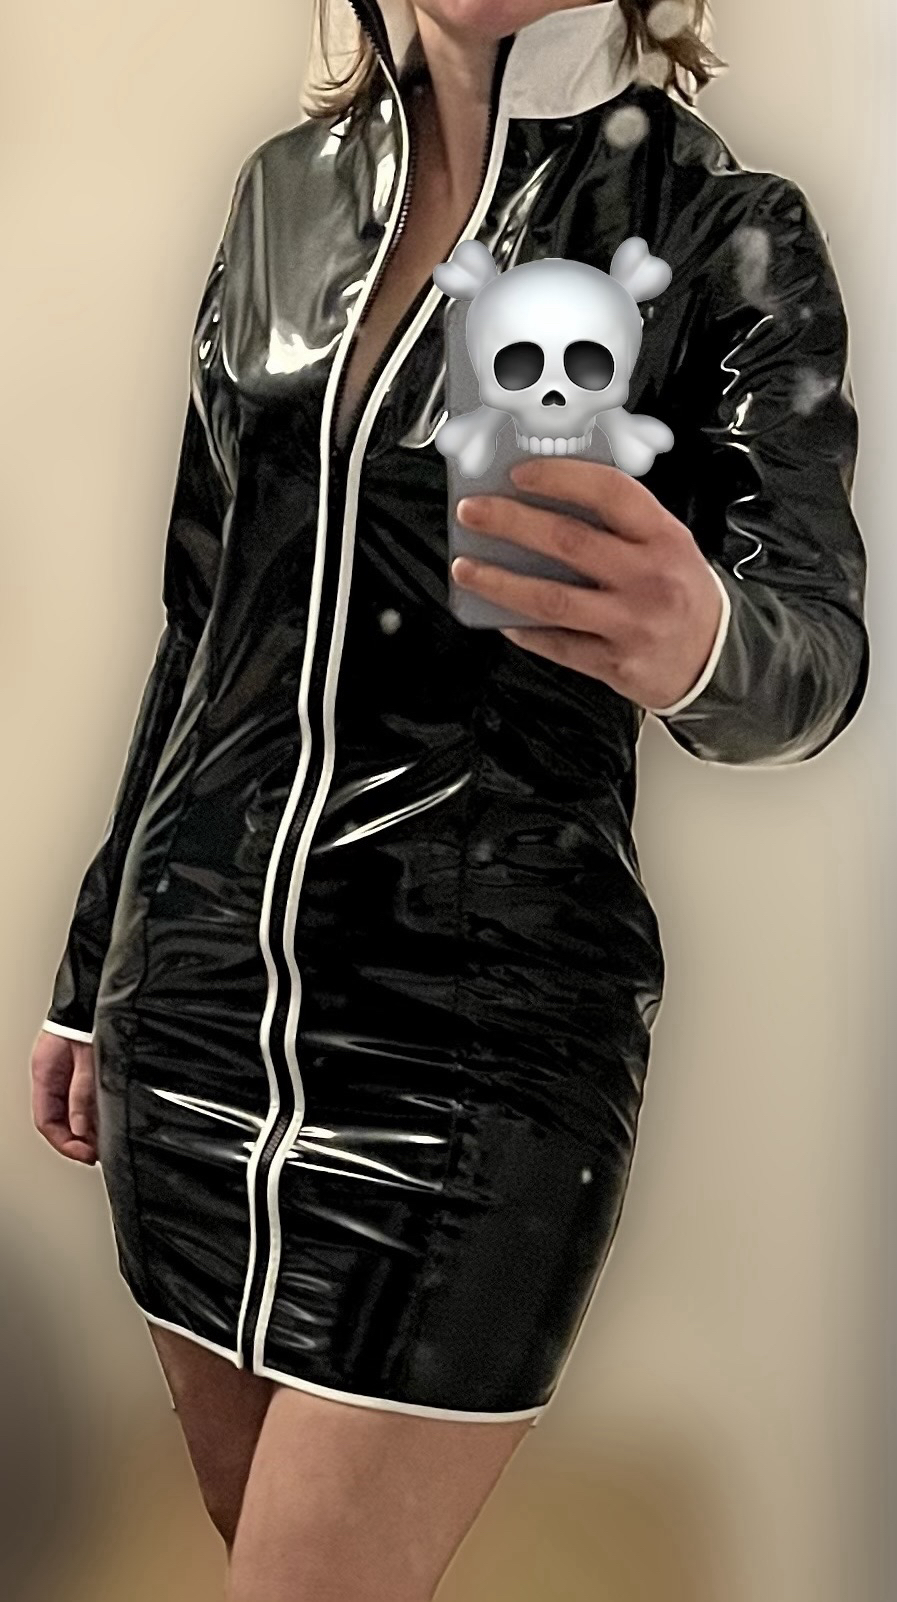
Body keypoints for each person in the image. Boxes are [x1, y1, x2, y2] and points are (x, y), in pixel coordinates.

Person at [30, 2, 869, 1598]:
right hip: (193, 1009)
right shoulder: (282, 195)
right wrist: (90, 971)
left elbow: (813, 650)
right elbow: (200, 617)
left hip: (479, 1044)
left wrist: (705, 639)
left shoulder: (720, 231)